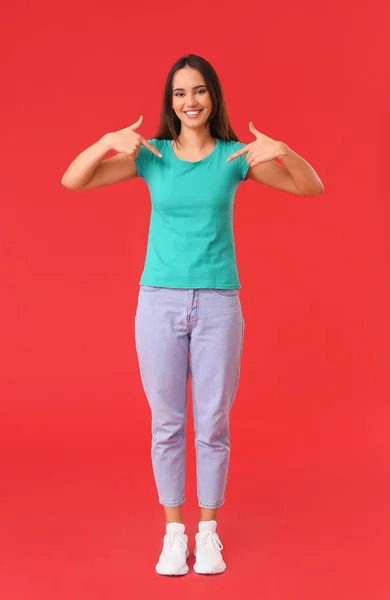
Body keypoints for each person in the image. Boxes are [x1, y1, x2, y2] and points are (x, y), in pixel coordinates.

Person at [61, 54, 324, 576]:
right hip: (158, 302)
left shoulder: (235, 158)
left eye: (199, 91)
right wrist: (106, 141)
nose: (191, 101)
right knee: (168, 423)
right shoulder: (151, 155)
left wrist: (283, 151)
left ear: (213, 98)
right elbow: (74, 181)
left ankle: (208, 534)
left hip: (219, 304)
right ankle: (173, 534)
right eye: (181, 93)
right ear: (171, 102)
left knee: (213, 422)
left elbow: (310, 186)